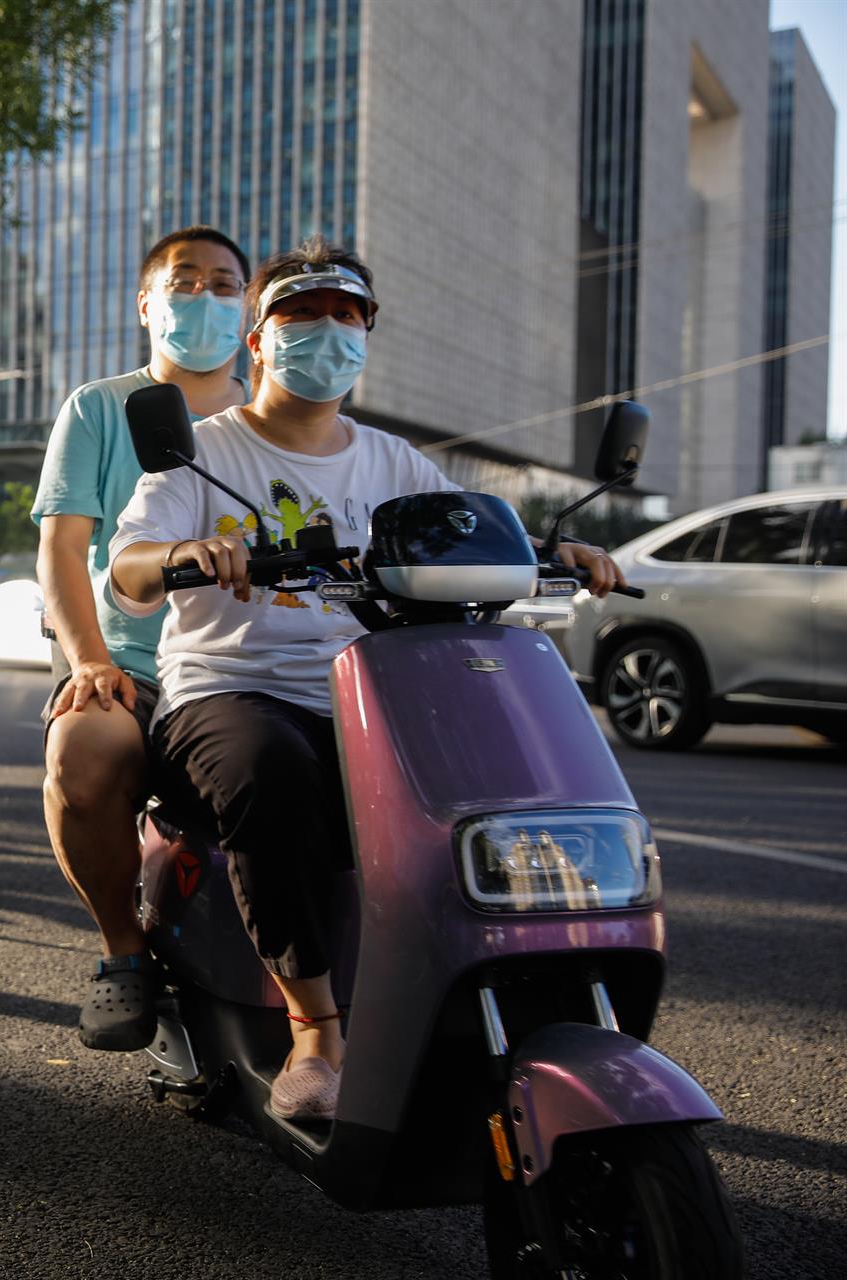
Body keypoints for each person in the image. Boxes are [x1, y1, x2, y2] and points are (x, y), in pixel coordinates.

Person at [107, 237, 625, 1120]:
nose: (328, 333)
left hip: (378, 696)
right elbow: (127, 569)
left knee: (510, 788)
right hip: (233, 692)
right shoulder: (199, 452)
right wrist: (185, 552)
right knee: (273, 774)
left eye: (347, 316)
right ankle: (317, 1034)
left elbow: (466, 543)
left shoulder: (396, 465)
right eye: (302, 315)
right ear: (258, 339)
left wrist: (552, 553)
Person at [30, 225, 251, 1052]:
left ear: (251, 314)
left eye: (226, 285)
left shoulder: (283, 417)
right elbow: (61, 545)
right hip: (130, 660)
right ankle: (125, 952)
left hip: (252, 664)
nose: (205, 298)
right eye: (185, 283)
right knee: (83, 762)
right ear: (146, 305)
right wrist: (88, 658)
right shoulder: (99, 407)